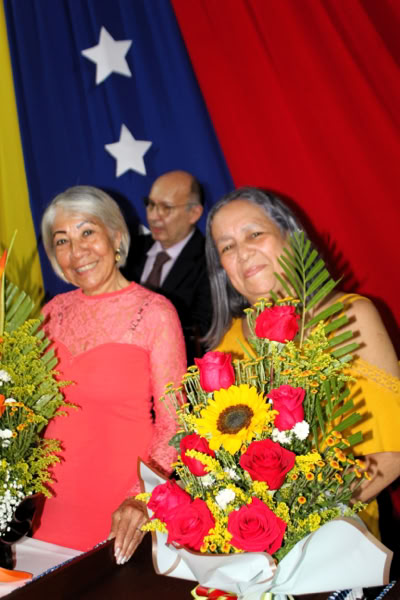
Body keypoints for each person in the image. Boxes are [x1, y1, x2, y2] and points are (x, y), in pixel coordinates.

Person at [204, 186, 400, 537]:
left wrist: (304, 524)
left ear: (292, 239)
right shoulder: (225, 350)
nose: (243, 252)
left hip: (343, 537)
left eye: (254, 234)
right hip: (255, 545)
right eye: (227, 247)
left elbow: (391, 453)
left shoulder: (349, 317)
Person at [33, 185, 186, 563]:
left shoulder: (154, 313)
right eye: (62, 240)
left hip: (124, 513)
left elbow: (175, 424)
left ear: (116, 237)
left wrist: (141, 497)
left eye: (87, 232)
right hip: (46, 508)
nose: (77, 251)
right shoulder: (51, 313)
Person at [123, 170, 212, 364]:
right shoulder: (130, 250)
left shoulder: (211, 260)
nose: (154, 216)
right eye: (151, 204)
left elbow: (201, 330)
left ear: (194, 213)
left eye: (166, 208)